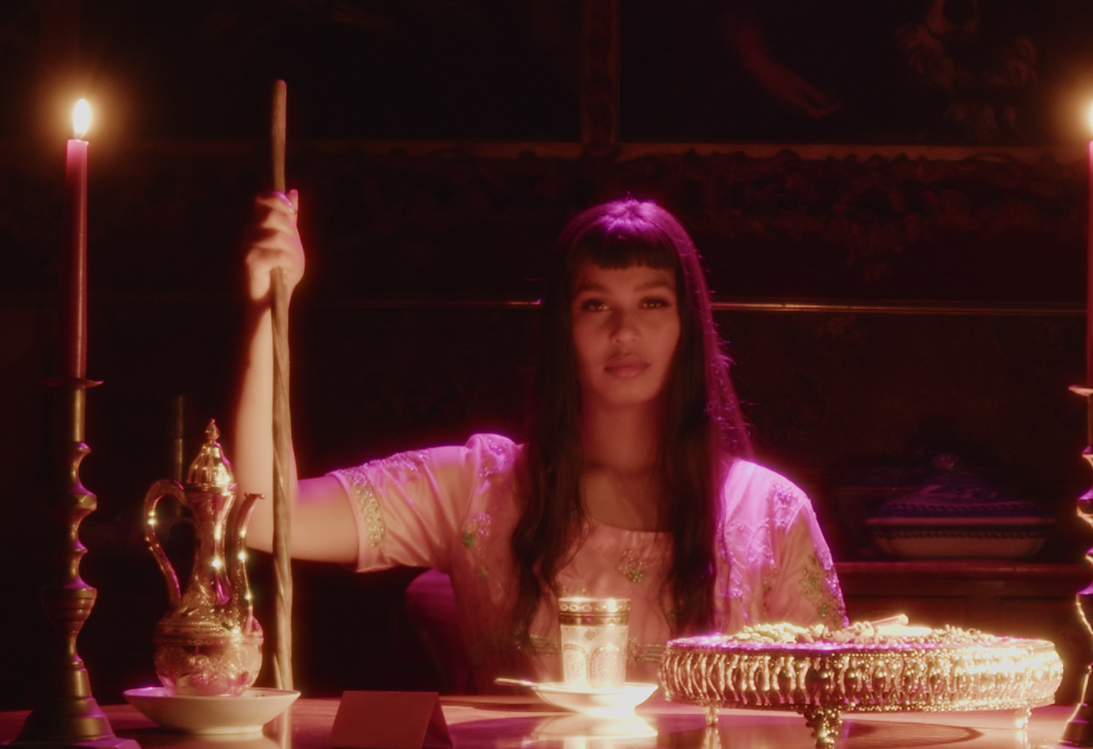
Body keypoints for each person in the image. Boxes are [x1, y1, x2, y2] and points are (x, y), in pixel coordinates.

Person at [231, 193, 846, 690]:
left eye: (653, 302)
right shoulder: (480, 487)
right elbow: (263, 515)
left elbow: (828, 703)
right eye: (595, 304)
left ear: (689, 325)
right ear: (561, 327)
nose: (625, 330)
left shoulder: (768, 511)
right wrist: (269, 311)